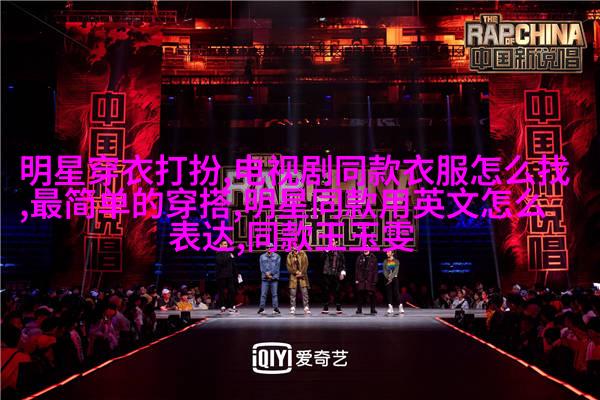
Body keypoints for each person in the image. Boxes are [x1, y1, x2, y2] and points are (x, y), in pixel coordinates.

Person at [321, 240, 346, 314]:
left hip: (336, 273)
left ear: (336, 242)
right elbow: (321, 259)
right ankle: (325, 307)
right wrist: (326, 251)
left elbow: (343, 263)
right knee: (326, 291)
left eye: (333, 241)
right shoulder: (326, 251)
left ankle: (338, 307)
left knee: (337, 291)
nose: (331, 243)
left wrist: (342, 273)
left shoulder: (339, 252)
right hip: (327, 274)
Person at [215, 240, 240, 313]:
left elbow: (233, 264)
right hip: (221, 275)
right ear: (220, 245)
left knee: (232, 290)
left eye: (226, 244)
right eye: (224, 244)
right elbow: (221, 262)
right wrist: (230, 256)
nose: (225, 245)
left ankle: (231, 305)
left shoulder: (229, 253)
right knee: (222, 291)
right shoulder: (218, 253)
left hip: (230, 275)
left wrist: (237, 273)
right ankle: (222, 306)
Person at [286, 246, 310, 315]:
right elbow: (288, 266)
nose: (295, 249)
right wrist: (296, 272)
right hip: (294, 276)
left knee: (304, 292)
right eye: (293, 248)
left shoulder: (303, 254)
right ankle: (292, 307)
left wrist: (301, 273)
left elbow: (306, 264)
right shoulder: (290, 255)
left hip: (302, 275)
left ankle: (306, 307)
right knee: (292, 293)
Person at [258, 243, 281, 315]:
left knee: (274, 294)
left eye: (270, 247)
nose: (269, 249)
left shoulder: (277, 256)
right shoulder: (262, 256)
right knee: (263, 294)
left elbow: (277, 267)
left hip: (274, 278)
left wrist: (270, 273)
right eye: (267, 247)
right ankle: (261, 308)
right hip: (265, 278)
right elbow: (261, 267)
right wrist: (266, 274)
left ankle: (275, 308)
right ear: (265, 248)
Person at [355, 250, 378, 315]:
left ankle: (373, 309)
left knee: (372, 295)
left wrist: (375, 280)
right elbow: (357, 269)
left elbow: (375, 270)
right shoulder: (360, 257)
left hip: (370, 278)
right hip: (361, 278)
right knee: (360, 294)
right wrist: (356, 279)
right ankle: (359, 309)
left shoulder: (373, 257)